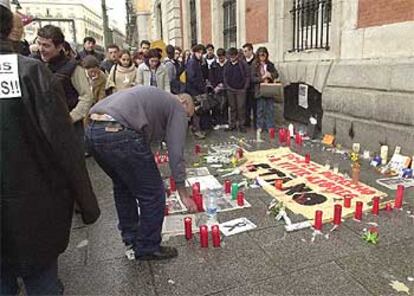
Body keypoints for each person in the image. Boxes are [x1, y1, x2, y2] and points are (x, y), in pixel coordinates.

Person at [0, 2, 100, 294]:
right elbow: (62, 143)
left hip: (26, 201)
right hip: (33, 202)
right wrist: (86, 201)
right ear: (11, 32)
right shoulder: (30, 72)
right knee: (41, 278)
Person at [86, 86, 197, 261]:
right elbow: (176, 153)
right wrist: (183, 193)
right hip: (120, 132)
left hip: (93, 130)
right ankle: (147, 246)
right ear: (184, 103)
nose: (186, 121)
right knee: (153, 193)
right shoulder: (176, 107)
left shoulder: (157, 98)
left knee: (123, 185)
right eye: (188, 116)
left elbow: (143, 145)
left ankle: (131, 237)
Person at [36, 25, 94, 148]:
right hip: (44, 128)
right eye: (39, 43)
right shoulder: (35, 65)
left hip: (69, 130)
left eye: (46, 45)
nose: (41, 49)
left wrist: (70, 118)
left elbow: (87, 96)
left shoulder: (73, 67)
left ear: (59, 47)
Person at [223, 47, 250, 133]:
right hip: (230, 89)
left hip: (241, 89)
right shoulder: (227, 64)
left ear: (237, 55)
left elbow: (247, 76)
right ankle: (232, 125)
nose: (232, 58)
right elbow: (224, 76)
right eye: (230, 56)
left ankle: (241, 125)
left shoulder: (242, 64)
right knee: (232, 108)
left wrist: (245, 87)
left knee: (241, 108)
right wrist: (227, 86)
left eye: (233, 56)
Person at [186, 44, 208, 139]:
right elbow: (191, 78)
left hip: (198, 89)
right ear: (195, 52)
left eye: (202, 53)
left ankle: (198, 129)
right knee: (196, 111)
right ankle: (196, 130)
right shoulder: (192, 62)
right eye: (199, 53)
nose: (200, 55)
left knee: (199, 110)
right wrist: (200, 87)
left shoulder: (198, 62)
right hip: (194, 90)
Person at [255, 46, 279, 133]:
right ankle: (260, 126)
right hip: (260, 89)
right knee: (260, 109)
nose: (262, 57)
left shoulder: (270, 64)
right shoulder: (255, 65)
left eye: (264, 55)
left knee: (270, 109)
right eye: (260, 55)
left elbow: (276, 74)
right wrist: (262, 78)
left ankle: (270, 126)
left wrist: (270, 75)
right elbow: (252, 78)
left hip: (269, 89)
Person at [208, 47, 228, 130]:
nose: (221, 59)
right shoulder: (214, 64)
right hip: (216, 88)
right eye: (219, 58)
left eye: (222, 58)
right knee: (216, 106)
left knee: (225, 105)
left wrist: (223, 85)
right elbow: (211, 77)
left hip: (225, 88)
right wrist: (215, 86)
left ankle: (225, 121)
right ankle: (217, 122)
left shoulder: (228, 64)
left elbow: (229, 76)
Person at [243, 43, 257, 128]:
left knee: (255, 106)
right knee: (246, 105)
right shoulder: (242, 60)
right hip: (245, 86)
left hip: (254, 86)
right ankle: (247, 122)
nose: (244, 53)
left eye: (246, 51)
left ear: (251, 51)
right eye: (244, 51)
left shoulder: (256, 60)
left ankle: (256, 123)